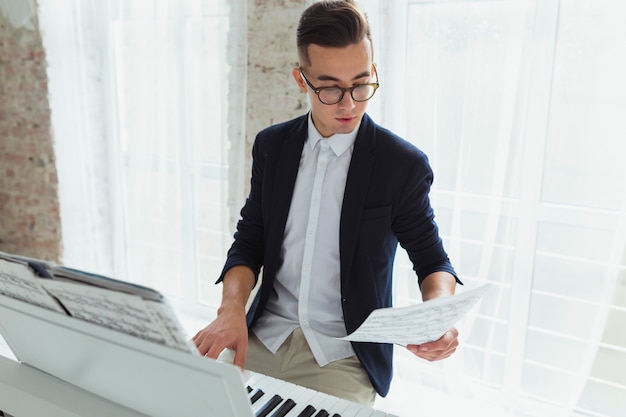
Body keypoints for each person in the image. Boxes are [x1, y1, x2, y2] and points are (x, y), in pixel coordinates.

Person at [193, 0, 462, 406]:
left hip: (343, 358)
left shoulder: (400, 165)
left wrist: (437, 315)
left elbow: (433, 263)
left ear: (373, 72)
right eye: (331, 87)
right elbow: (249, 240)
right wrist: (230, 308)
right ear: (301, 80)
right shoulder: (272, 147)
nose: (349, 103)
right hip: (263, 337)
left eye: (360, 83)